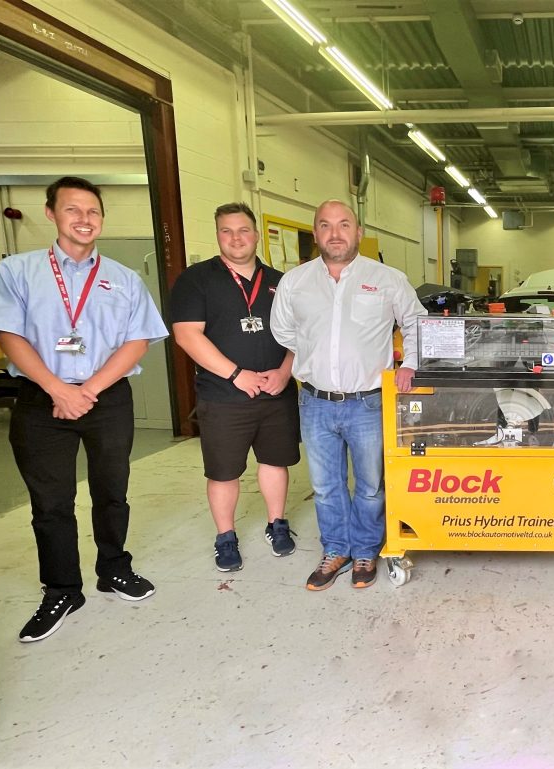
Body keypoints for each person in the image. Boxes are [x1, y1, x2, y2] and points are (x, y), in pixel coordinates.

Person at [0, 176, 168, 643]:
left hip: (106, 398)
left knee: (113, 490)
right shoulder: (16, 272)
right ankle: (62, 589)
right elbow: (9, 337)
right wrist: (57, 389)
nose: (84, 220)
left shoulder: (124, 279)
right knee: (51, 503)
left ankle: (114, 568)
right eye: (73, 210)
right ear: (51, 213)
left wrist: (87, 389)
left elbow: (137, 340)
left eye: (92, 212)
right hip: (39, 399)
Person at [271, 200, 425, 590]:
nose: (335, 233)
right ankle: (336, 549)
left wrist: (409, 363)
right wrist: (313, 354)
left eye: (344, 225)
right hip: (314, 401)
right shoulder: (296, 282)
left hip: (368, 402)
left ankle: (365, 551)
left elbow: (416, 323)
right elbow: (284, 331)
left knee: (370, 484)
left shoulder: (388, 278)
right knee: (325, 485)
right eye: (325, 225)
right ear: (316, 232)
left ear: (358, 232)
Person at [170, 202, 300, 572]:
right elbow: (187, 335)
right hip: (224, 396)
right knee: (224, 471)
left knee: (275, 462)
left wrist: (285, 371)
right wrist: (236, 374)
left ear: (256, 234)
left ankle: (278, 524)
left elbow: (298, 335)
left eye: (243, 230)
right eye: (226, 231)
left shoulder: (280, 282)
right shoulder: (195, 279)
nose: (236, 238)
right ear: (217, 236)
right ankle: (225, 537)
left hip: (275, 392)